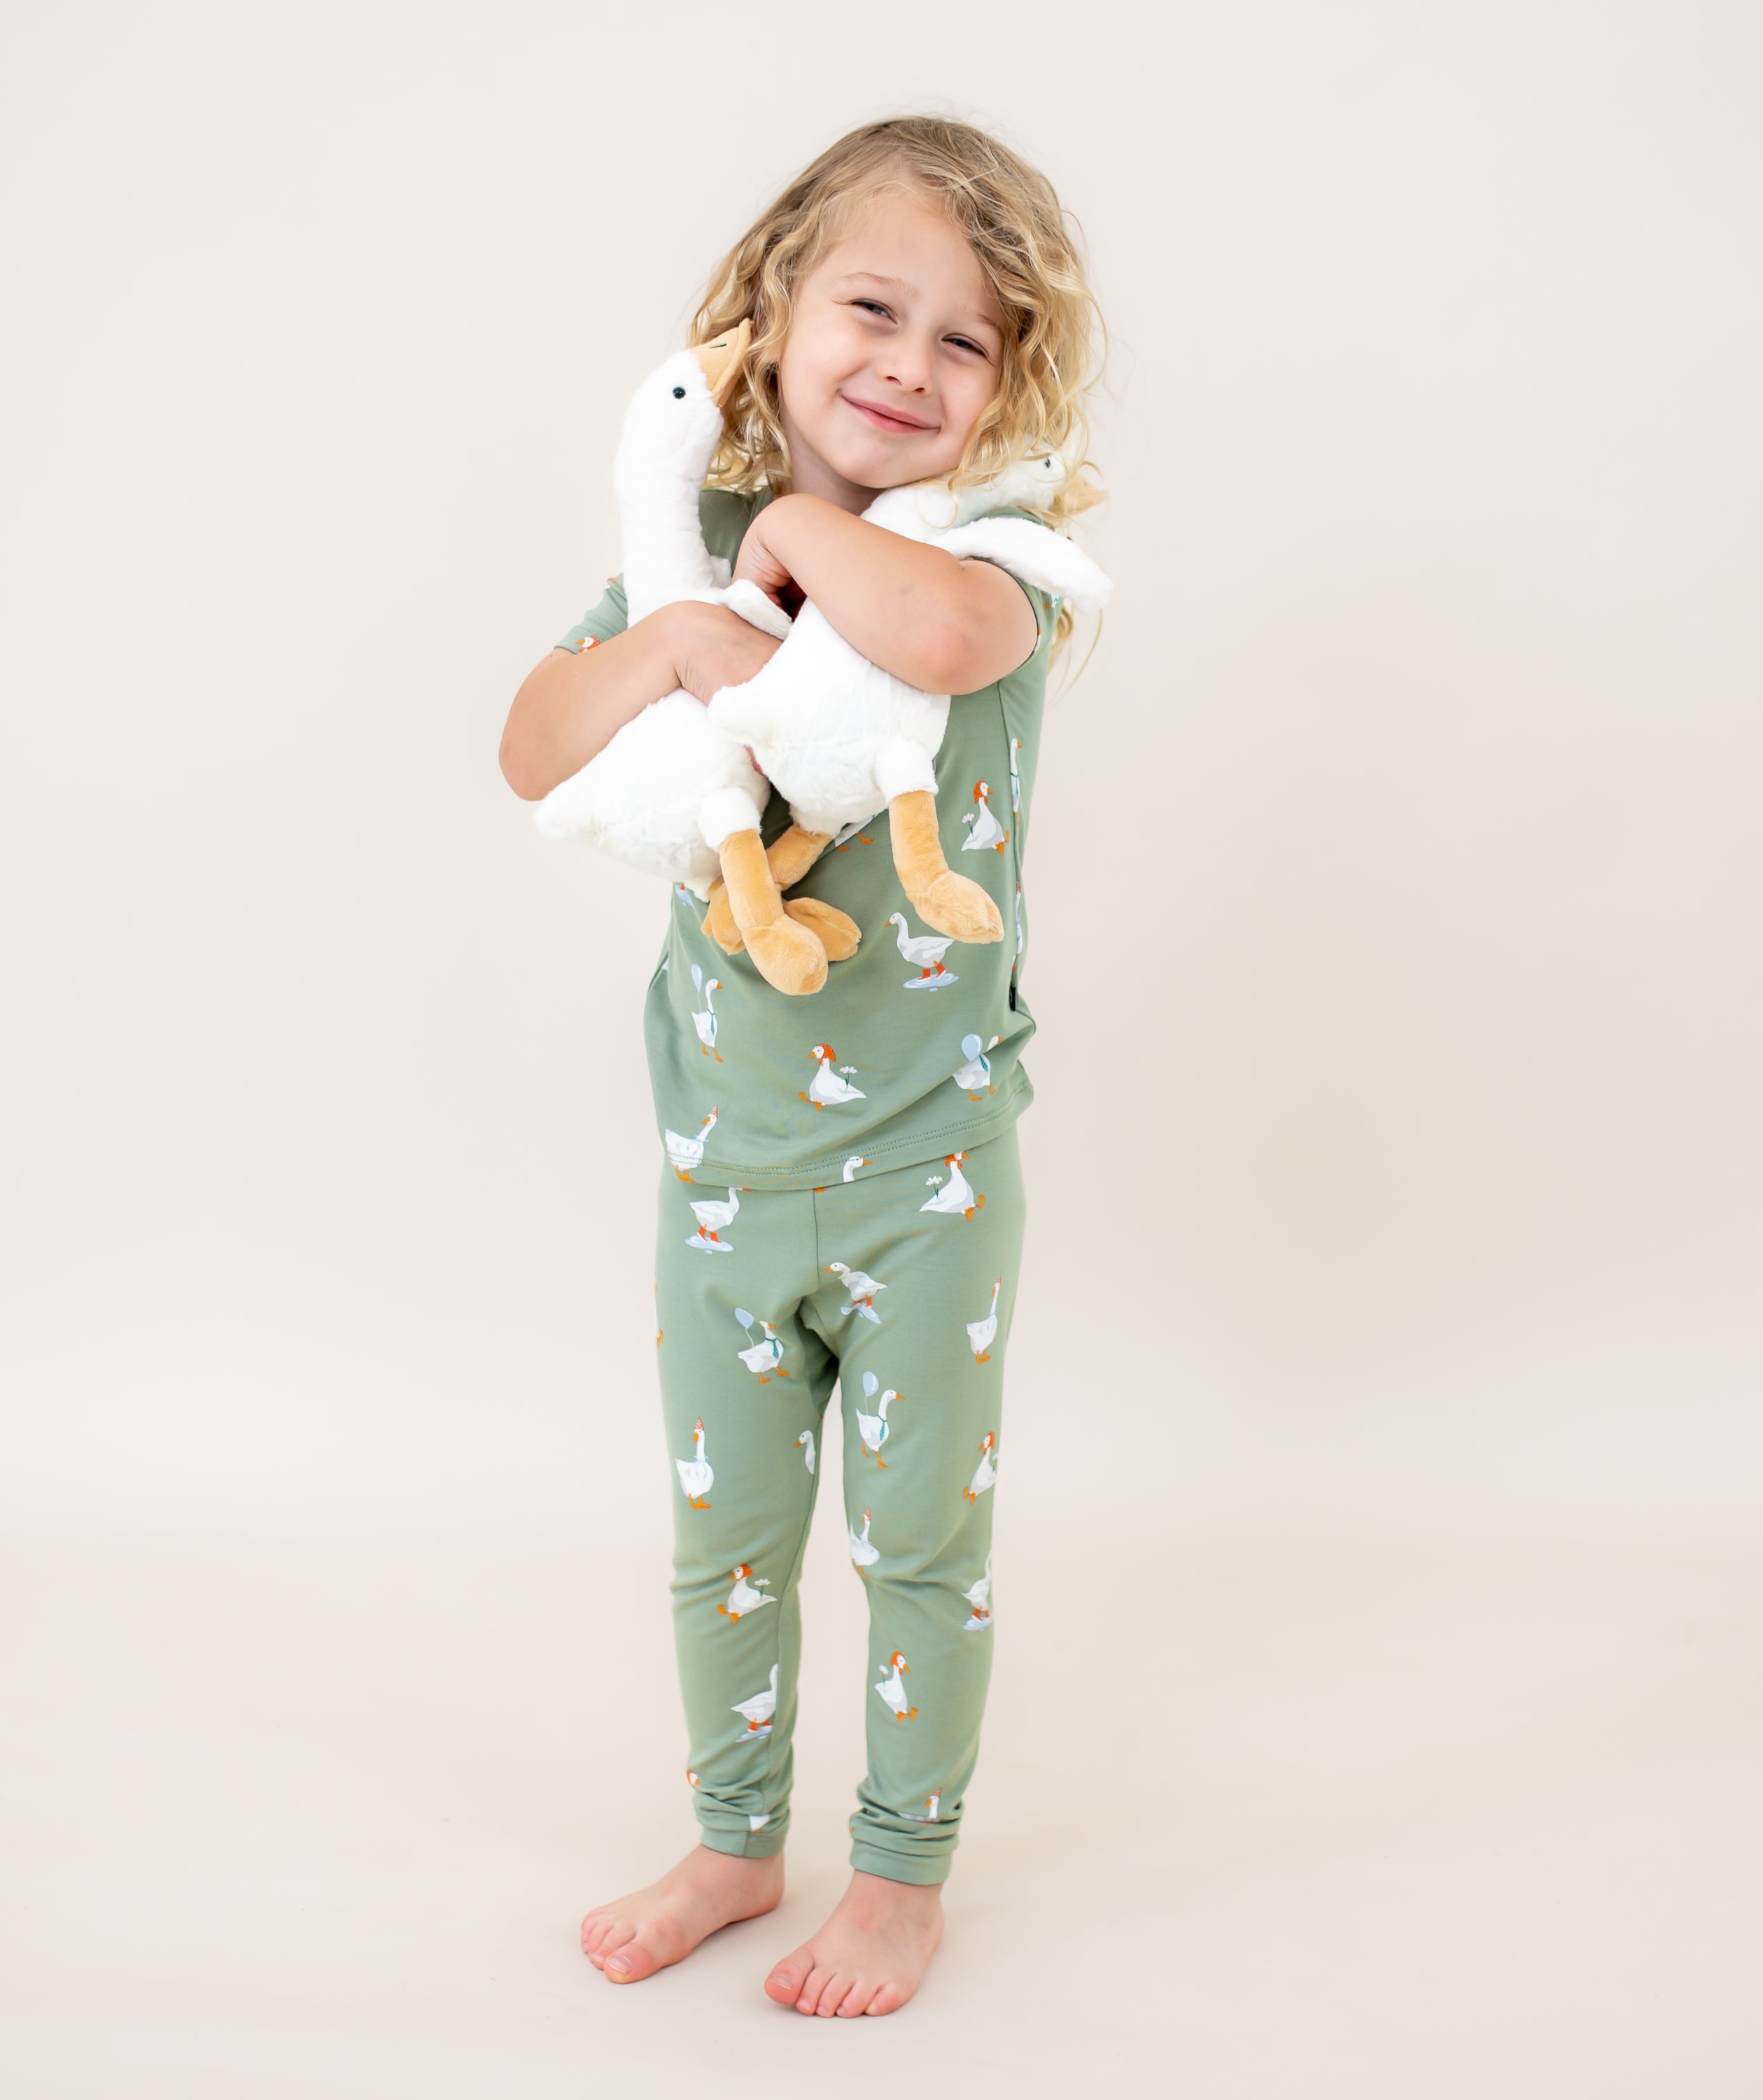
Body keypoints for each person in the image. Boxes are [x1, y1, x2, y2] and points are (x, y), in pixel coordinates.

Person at [499, 115, 1104, 2019]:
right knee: (730, 1545)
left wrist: (790, 534)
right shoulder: (687, 585)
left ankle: (905, 1871)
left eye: (967, 342)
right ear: (768, 313)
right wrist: (670, 632)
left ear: (1009, 390)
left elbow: (919, 626)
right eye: (872, 308)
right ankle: (736, 1834)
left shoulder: (1000, 565)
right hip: (727, 1178)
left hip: (927, 1183)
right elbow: (533, 749)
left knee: (920, 1539)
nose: (911, 366)